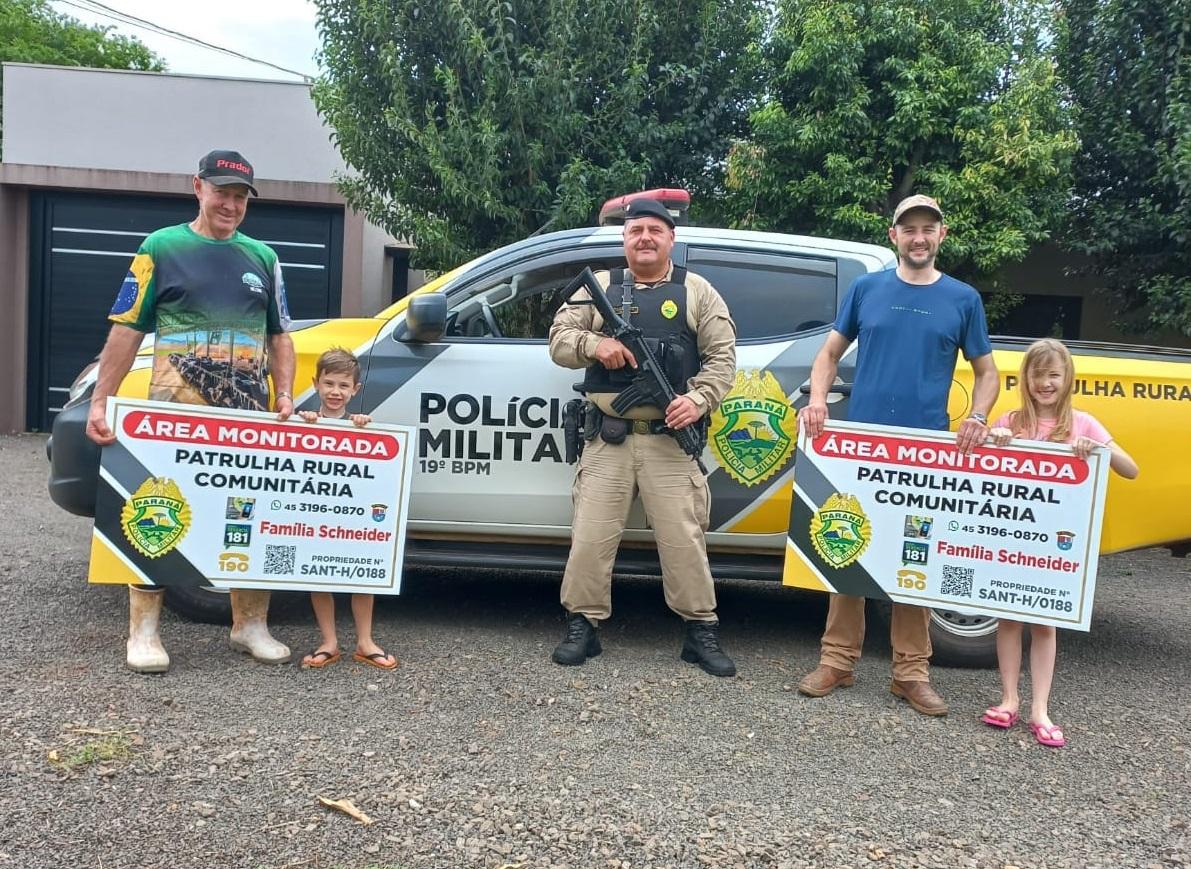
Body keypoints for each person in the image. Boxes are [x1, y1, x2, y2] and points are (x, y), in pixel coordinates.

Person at [85, 149, 296, 673]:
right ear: (197, 187)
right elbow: (127, 329)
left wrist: (286, 395)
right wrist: (100, 400)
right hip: (172, 417)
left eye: (240, 196)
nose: (230, 204)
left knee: (247, 516)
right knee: (160, 512)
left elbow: (280, 334)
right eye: (222, 191)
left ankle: (249, 625)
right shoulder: (161, 247)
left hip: (247, 417)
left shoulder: (264, 258)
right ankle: (144, 633)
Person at [797, 194, 1000, 715]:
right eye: (908, 228)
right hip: (862, 446)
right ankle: (837, 661)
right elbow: (828, 354)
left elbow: (987, 372)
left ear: (942, 235)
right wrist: (817, 400)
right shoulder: (868, 290)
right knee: (849, 545)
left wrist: (976, 417)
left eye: (927, 229)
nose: (918, 237)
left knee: (915, 557)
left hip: (925, 450)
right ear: (894, 236)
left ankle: (910, 673)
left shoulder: (963, 299)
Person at [548, 198, 738, 676]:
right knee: (590, 538)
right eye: (636, 230)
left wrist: (695, 400)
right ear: (625, 238)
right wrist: (597, 344)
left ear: (671, 238)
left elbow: (723, 360)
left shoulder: (697, 291)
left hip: (670, 441)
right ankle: (582, 625)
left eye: (655, 229)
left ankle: (700, 630)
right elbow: (559, 340)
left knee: (683, 542)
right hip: (607, 440)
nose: (645, 238)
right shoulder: (602, 289)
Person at [982, 339, 1138, 746]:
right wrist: (994, 438)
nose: (1045, 383)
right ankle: (1009, 698)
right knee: (1008, 618)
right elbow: (981, 474)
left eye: (1053, 374)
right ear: (1025, 379)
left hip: (1054, 547)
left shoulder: (1083, 424)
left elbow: (1131, 469)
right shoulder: (1011, 420)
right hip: (1012, 539)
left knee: (1045, 624)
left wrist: (1095, 449)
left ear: (1067, 379)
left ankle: (1040, 708)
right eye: (1038, 375)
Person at [297, 348, 398, 671]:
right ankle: (329, 642)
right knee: (317, 577)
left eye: (343, 386)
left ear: (355, 390)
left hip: (353, 520)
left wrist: (365, 427)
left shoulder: (361, 426)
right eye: (329, 384)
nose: (335, 392)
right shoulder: (307, 423)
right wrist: (306, 425)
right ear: (316, 384)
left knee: (363, 575)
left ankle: (365, 641)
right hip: (317, 515)